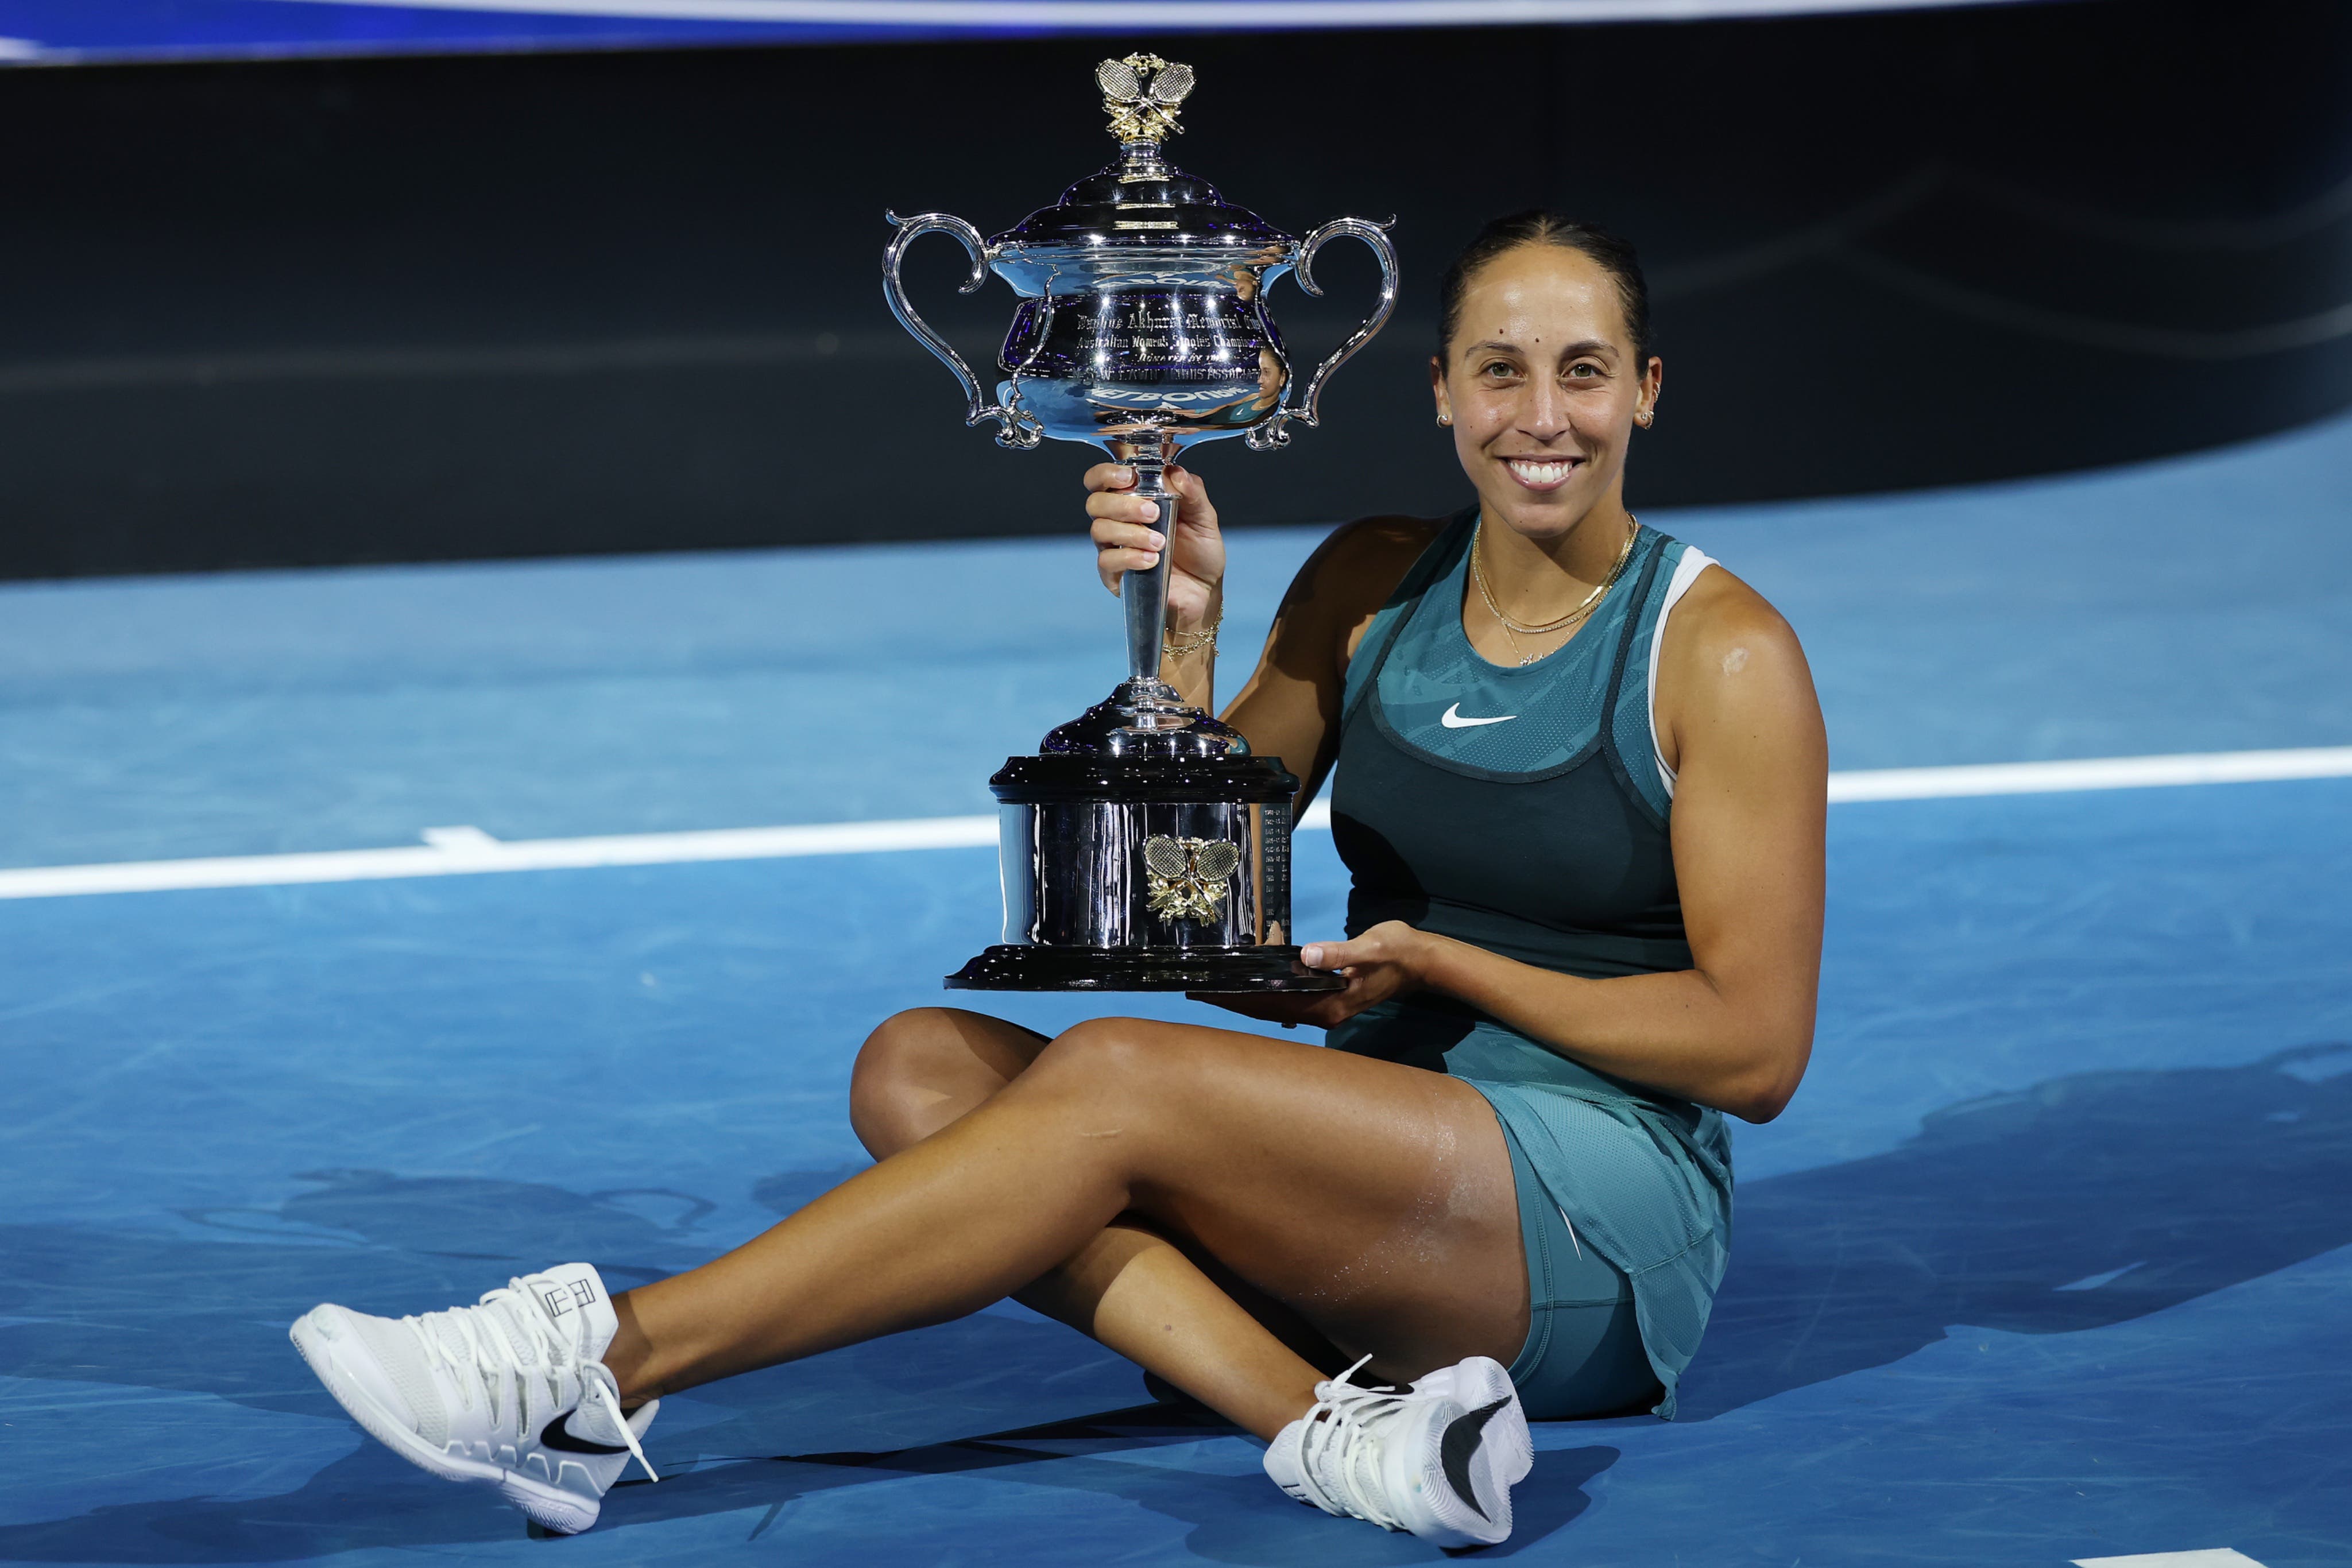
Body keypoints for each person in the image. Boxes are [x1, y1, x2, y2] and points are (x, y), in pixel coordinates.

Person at [288, 210, 1828, 1548]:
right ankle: (1327, 1425)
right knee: (920, 1067)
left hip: (1590, 1229)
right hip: (1369, 1186)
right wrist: (1188, 637)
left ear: (1646, 390)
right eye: (1499, 367)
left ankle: (597, 1361)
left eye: (1581, 369)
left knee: (1107, 1084)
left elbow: (1754, 1055)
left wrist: (1443, 966)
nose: (1539, 414)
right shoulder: (1370, 582)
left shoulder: (1720, 649)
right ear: (1440, 391)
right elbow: (1181, 914)